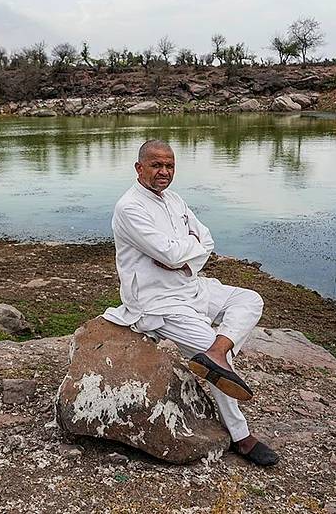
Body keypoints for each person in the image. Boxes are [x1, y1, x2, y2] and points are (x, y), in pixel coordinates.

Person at [102, 139, 279, 466]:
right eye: (156, 165)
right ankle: (242, 437)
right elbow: (169, 252)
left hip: (192, 286)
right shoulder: (130, 208)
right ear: (139, 168)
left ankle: (216, 353)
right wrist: (182, 251)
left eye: (169, 165)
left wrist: (182, 259)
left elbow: (206, 241)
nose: (164, 172)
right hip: (159, 303)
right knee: (222, 370)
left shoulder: (175, 200)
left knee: (250, 299)